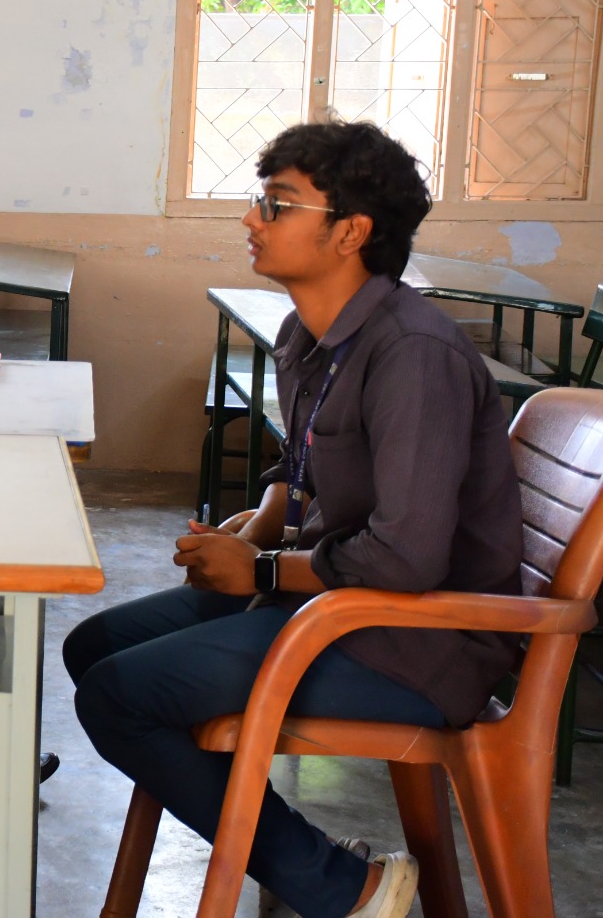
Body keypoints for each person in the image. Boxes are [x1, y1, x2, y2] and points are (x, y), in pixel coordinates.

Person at [63, 121, 523, 918]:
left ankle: (338, 888)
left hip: (413, 642)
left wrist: (265, 570)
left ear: (350, 232)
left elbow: (409, 558)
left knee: (121, 696)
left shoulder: (414, 354)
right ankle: (305, 863)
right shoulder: (307, 334)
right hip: (338, 605)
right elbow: (303, 466)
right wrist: (260, 525)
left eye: (277, 204)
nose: (251, 219)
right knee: (94, 646)